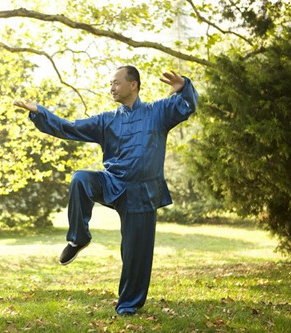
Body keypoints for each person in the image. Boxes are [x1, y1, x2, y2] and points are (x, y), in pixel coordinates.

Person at [14, 65, 198, 316]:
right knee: (81, 178)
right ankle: (79, 237)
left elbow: (188, 106)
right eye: (110, 83)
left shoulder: (159, 112)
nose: (111, 88)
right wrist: (39, 113)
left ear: (133, 85)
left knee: (135, 255)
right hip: (113, 184)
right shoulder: (106, 120)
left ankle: (128, 306)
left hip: (143, 194)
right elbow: (69, 127)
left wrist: (184, 87)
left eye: (116, 83)